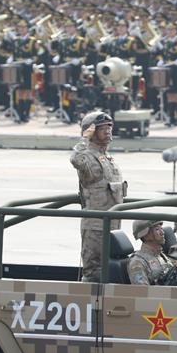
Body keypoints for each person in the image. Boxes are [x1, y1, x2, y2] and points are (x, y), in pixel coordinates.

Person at [70, 111, 127, 282]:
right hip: (95, 226)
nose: (108, 131)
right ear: (91, 131)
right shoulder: (87, 155)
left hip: (113, 224)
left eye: (109, 127)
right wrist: (84, 139)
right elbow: (76, 160)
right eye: (102, 128)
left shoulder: (108, 157)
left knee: (111, 269)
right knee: (94, 272)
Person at [129, 220, 177, 285]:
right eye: (157, 229)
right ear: (146, 236)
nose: (162, 232)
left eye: (161, 228)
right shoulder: (138, 262)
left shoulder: (161, 256)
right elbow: (142, 292)